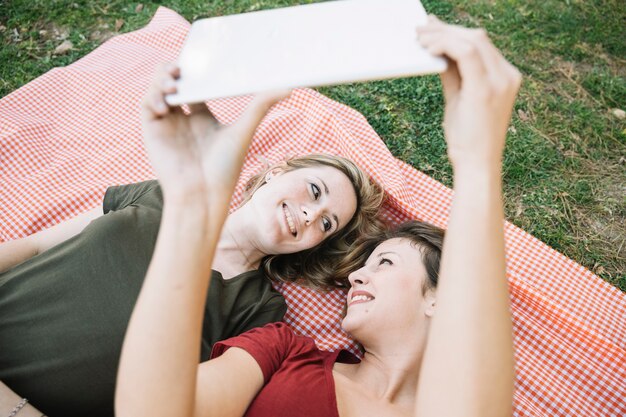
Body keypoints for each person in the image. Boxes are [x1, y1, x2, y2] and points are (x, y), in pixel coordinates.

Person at [114, 15, 521, 417]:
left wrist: (478, 162)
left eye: (385, 263)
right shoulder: (282, 348)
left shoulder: (450, 403)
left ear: (442, 296)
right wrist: (192, 208)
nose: (356, 278)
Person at [0, 78, 384, 416]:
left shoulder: (259, 310)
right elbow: (34, 245)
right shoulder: (163, 192)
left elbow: (176, 399)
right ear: (276, 172)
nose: (310, 213)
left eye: (327, 223)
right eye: (315, 191)